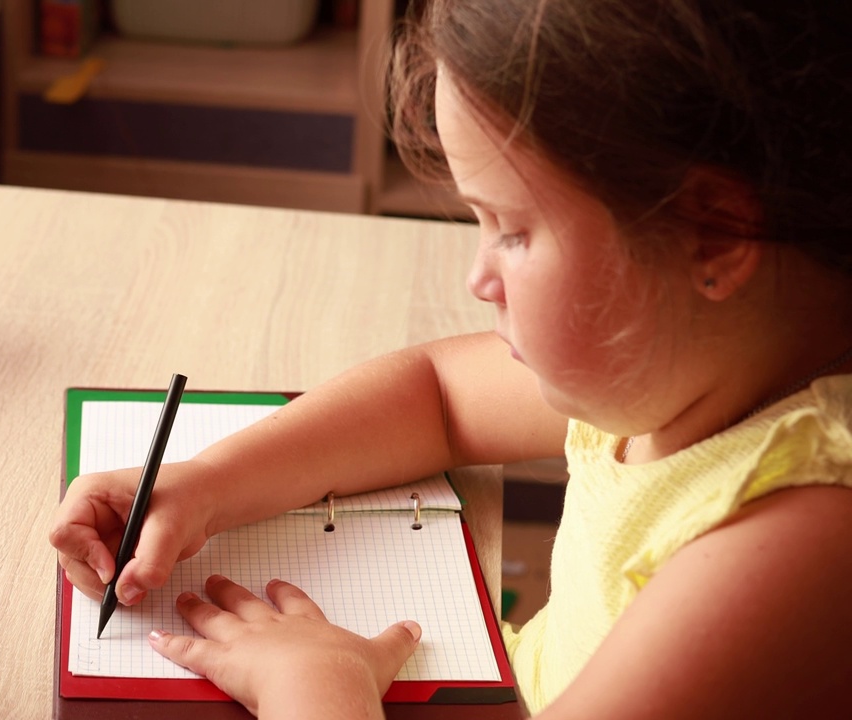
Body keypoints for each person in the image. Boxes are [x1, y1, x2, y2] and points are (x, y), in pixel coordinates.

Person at [50, 0, 852, 717]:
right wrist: (207, 486)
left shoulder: (797, 552)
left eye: (511, 228)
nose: (478, 277)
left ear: (707, 235)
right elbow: (434, 395)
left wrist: (315, 690)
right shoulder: (677, 364)